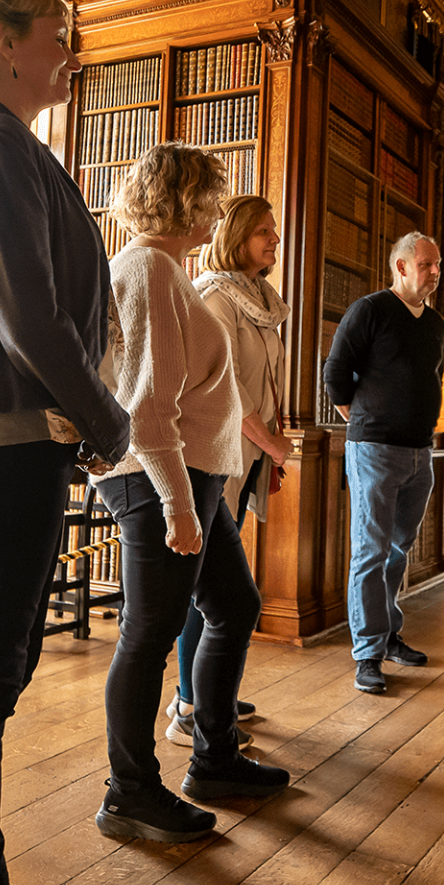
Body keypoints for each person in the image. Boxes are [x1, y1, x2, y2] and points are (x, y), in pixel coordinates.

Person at [0, 0, 131, 885]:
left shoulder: (6, 144)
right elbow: (28, 316)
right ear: (7, 44)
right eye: (60, 31)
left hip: (22, 444)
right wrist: (110, 421)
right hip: (3, 447)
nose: (73, 49)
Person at [92, 142, 289, 845]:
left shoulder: (166, 269)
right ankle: (130, 792)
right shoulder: (146, 269)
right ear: (185, 201)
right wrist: (177, 504)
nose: (218, 210)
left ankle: (214, 757)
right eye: (210, 196)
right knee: (149, 633)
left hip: (192, 476)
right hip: (159, 482)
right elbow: (148, 410)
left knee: (233, 605)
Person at [158, 196, 292, 747]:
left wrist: (268, 451)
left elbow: (266, 381)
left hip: (245, 457)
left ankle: (213, 691)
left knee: (221, 587)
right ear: (235, 234)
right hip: (215, 453)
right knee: (208, 589)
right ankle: (191, 703)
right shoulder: (216, 296)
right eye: (263, 231)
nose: (273, 240)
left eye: (276, 232)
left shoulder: (263, 298)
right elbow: (227, 387)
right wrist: (272, 443)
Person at [323, 231, 444, 695]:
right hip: (374, 450)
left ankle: (389, 634)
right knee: (370, 552)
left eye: (437, 265)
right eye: (427, 264)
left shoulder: (434, 324)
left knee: (398, 549)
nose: (435, 272)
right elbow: (335, 373)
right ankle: (368, 654)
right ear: (400, 266)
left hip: (420, 452)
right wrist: (361, 421)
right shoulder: (370, 310)